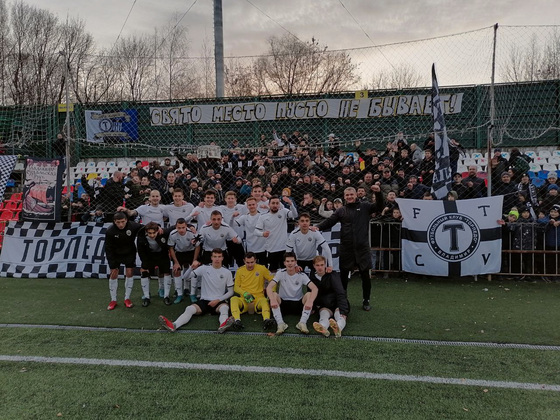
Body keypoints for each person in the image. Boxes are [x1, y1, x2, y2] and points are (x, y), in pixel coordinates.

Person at [316, 186, 383, 311]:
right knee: (343, 276)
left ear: (356, 195)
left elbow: (379, 206)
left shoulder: (365, 206)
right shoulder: (341, 210)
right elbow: (330, 221)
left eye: (351, 194)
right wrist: (318, 227)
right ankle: (343, 299)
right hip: (346, 248)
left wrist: (378, 193)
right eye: (347, 195)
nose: (349, 197)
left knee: (365, 276)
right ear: (344, 196)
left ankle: (366, 300)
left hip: (362, 248)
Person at [158, 248, 235, 333]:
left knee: (224, 308)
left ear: (222, 258)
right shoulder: (204, 268)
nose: (217, 259)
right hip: (204, 301)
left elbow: (231, 292)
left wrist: (218, 300)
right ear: (211, 258)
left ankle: (223, 325)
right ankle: (174, 325)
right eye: (215, 256)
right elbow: (185, 277)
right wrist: (191, 267)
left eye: (219, 256)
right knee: (189, 309)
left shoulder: (227, 272)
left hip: (219, 301)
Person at [265, 252, 318, 335]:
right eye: (288, 261)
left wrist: (310, 301)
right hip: (283, 303)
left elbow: (315, 288)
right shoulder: (280, 273)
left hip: (298, 304)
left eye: (292, 261)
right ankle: (280, 324)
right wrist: (272, 300)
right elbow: (269, 287)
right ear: (284, 263)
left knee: (309, 294)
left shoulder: (302, 275)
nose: (290, 263)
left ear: (296, 262)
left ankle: (302, 323)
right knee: (274, 295)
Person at [104, 212, 143, 311]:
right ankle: (113, 300)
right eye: (118, 222)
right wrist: (111, 263)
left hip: (129, 252)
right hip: (115, 254)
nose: (121, 224)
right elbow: (108, 248)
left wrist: (158, 227)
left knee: (129, 272)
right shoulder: (110, 231)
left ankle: (127, 298)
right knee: (114, 273)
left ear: (126, 220)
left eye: (122, 222)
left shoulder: (133, 226)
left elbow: (145, 227)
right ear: (114, 222)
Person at [230, 252, 276, 331]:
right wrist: (245, 293)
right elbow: (236, 287)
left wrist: (272, 292)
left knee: (264, 301)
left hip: (258, 299)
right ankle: (237, 321)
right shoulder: (240, 270)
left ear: (255, 260)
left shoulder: (262, 269)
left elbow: (273, 280)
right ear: (244, 261)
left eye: (252, 262)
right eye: (247, 262)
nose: (250, 265)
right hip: (244, 299)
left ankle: (266, 320)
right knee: (233, 299)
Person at [309, 255, 350, 338]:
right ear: (314, 266)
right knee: (323, 314)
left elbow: (340, 292)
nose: (320, 267)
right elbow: (310, 292)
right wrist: (313, 307)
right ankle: (323, 328)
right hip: (324, 304)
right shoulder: (312, 277)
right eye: (317, 265)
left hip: (337, 303)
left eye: (322, 265)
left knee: (339, 315)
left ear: (325, 265)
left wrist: (344, 310)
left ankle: (338, 328)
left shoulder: (333, 275)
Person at [255, 195, 298, 272]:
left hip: (284, 249)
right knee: (272, 272)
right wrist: (262, 234)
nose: (275, 205)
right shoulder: (263, 216)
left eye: (277, 203)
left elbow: (295, 215)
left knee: (287, 271)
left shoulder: (283, 212)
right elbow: (256, 231)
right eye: (273, 203)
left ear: (279, 204)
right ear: (269, 204)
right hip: (271, 249)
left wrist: (291, 204)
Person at [136, 221, 173, 306]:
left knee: (166, 272)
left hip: (162, 255)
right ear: (146, 232)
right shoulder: (141, 236)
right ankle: (146, 297)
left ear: (157, 231)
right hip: (149, 256)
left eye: (154, 233)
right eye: (149, 233)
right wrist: (144, 263)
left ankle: (166, 296)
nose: (152, 235)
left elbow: (175, 226)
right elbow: (140, 251)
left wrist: (191, 226)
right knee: (144, 271)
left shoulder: (163, 232)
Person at [168, 218, 198, 304]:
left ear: (186, 226)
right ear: (176, 227)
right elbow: (171, 248)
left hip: (191, 252)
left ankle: (192, 294)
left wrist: (194, 260)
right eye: (179, 228)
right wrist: (176, 262)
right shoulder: (172, 234)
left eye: (183, 227)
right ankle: (179, 294)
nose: (181, 230)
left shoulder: (192, 233)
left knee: (194, 270)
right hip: (179, 253)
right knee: (176, 270)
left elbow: (197, 246)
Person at [235, 197, 267, 264]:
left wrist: (268, 207)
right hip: (250, 248)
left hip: (263, 248)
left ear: (257, 205)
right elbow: (232, 224)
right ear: (247, 206)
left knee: (263, 268)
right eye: (249, 205)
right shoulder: (244, 217)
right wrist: (232, 217)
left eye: (253, 204)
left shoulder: (263, 216)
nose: (252, 206)